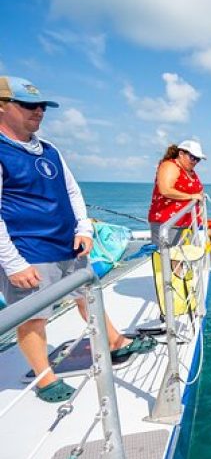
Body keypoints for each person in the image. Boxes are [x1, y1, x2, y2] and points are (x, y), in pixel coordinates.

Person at [0, 75, 156, 403]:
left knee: (89, 296)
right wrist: (13, 263)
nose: (39, 111)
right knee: (33, 316)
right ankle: (44, 379)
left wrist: (83, 229)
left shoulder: (50, 150)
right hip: (29, 251)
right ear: (3, 107)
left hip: (67, 244)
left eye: (42, 106)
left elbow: (72, 190)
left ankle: (113, 343)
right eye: (29, 105)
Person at [147, 140, 211, 276]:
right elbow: (165, 189)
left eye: (198, 159)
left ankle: (181, 287)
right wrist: (191, 196)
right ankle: (170, 293)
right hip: (168, 222)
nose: (195, 161)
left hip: (186, 223)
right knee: (169, 259)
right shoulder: (170, 166)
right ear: (181, 153)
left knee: (179, 258)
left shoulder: (188, 171)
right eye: (192, 157)